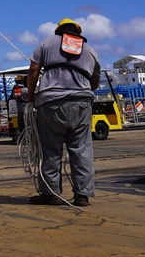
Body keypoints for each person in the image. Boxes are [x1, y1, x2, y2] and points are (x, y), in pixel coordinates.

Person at [26, 18, 102, 207]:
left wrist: (31, 95)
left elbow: (34, 69)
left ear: (58, 31)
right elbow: (95, 82)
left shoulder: (46, 43)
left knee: (50, 150)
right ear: (77, 32)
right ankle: (82, 195)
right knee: (82, 150)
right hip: (81, 104)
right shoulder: (90, 50)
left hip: (50, 103)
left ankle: (50, 193)